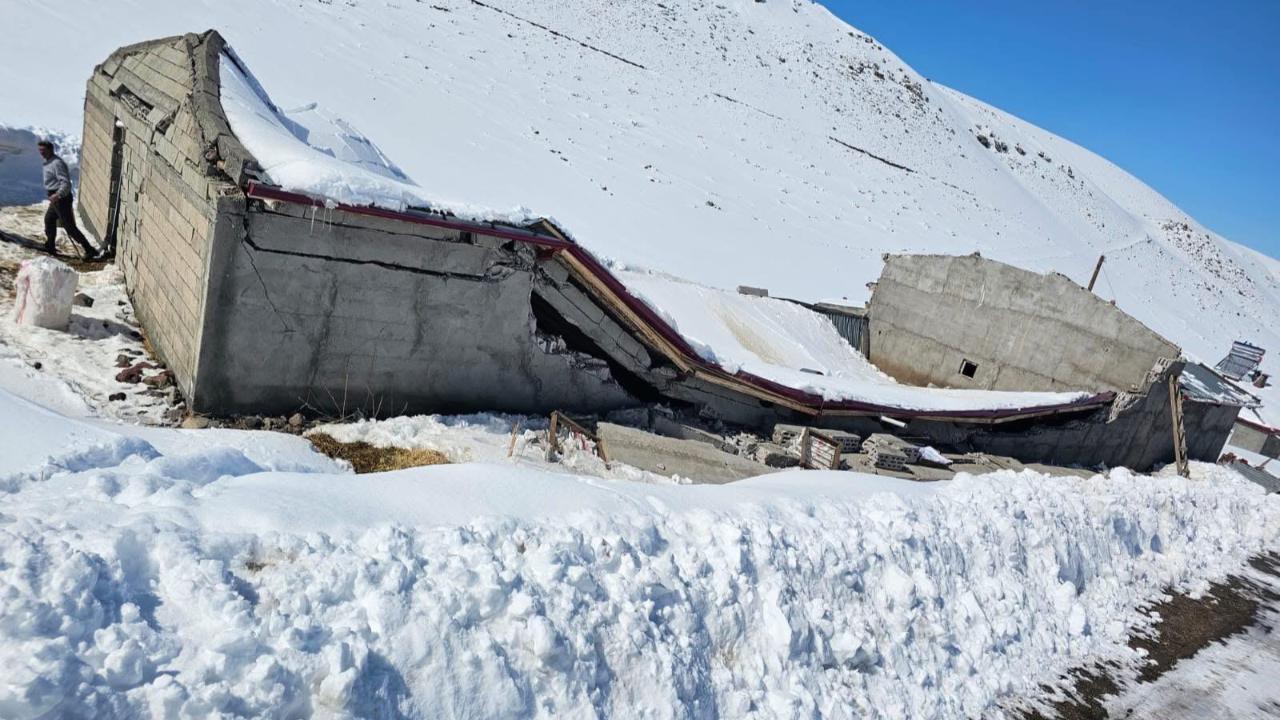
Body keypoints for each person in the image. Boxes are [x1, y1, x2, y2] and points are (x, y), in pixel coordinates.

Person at [38, 140, 100, 259]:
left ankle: (90, 250)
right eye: (40, 151)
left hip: (61, 199)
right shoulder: (48, 162)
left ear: (51, 150)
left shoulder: (57, 163)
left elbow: (66, 183)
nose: (41, 153)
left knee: (70, 228)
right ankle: (50, 246)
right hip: (55, 198)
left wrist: (58, 194)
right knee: (49, 220)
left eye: (43, 151)